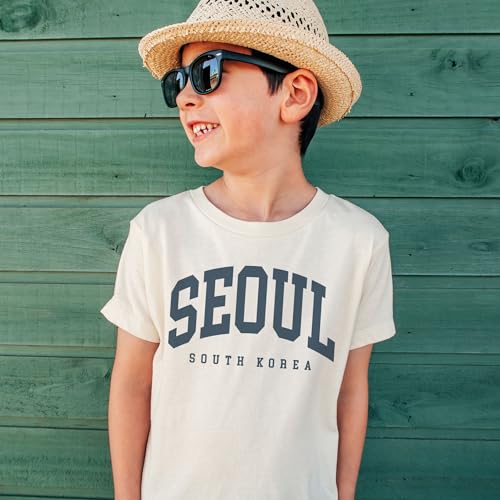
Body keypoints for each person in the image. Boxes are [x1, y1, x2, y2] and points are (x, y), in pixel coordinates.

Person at [100, 1, 397, 499]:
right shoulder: (160, 231)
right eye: (178, 81)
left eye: (208, 72)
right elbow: (133, 384)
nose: (185, 97)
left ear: (295, 94)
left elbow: (349, 390)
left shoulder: (358, 241)